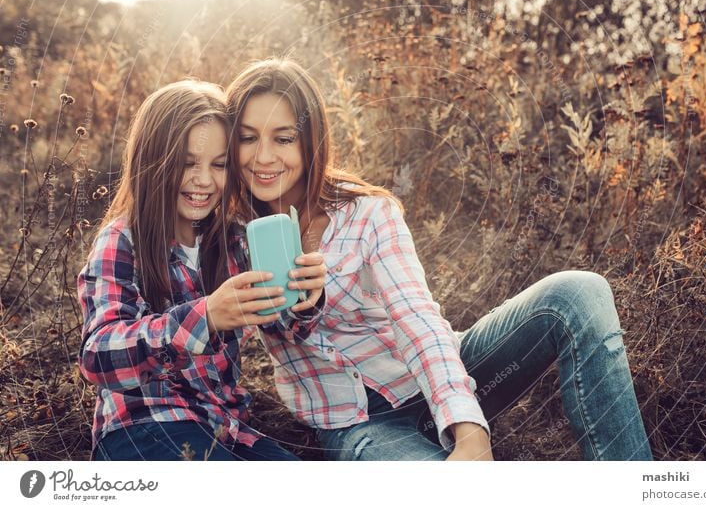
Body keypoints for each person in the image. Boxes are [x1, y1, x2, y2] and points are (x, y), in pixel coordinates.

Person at [225, 57, 653, 461]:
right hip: (360, 423)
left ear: (310, 139)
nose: (263, 157)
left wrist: (469, 430)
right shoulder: (228, 239)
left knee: (580, 293)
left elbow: (417, 319)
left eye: (283, 138)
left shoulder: (368, 213)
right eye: (248, 137)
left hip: (443, 374)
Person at [77, 80, 327, 461]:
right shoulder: (123, 241)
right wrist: (206, 316)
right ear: (152, 162)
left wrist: (305, 298)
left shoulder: (234, 240)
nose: (204, 180)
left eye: (219, 165)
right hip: (144, 427)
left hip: (225, 425)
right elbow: (97, 355)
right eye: (188, 163)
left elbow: (283, 325)